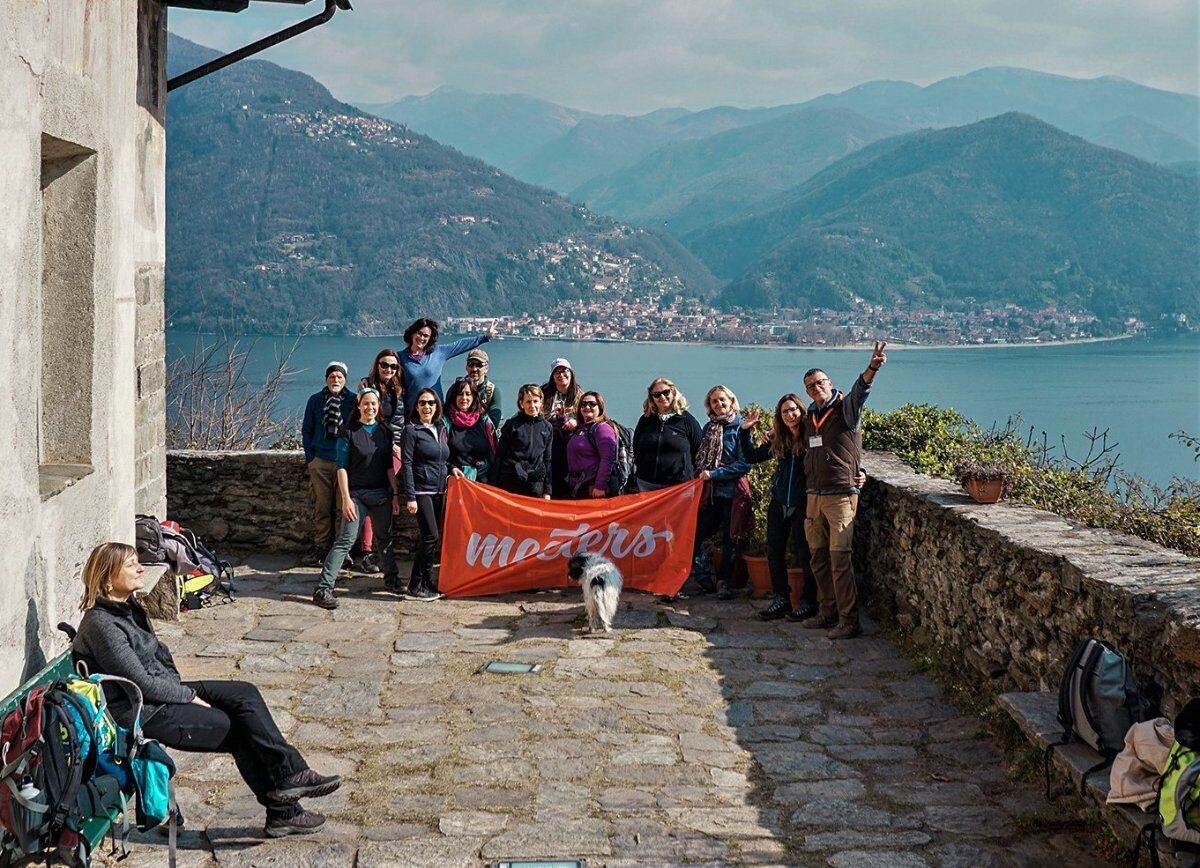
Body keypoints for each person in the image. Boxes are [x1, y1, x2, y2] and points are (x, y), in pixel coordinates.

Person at [72, 543, 340, 838]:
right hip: (143, 712)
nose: (140, 569)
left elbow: (158, 655)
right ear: (108, 579)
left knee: (244, 693)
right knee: (239, 730)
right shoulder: (102, 625)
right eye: (131, 565)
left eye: (138, 562)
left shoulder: (128, 609)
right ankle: (284, 813)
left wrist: (179, 688)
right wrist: (189, 697)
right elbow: (141, 685)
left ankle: (292, 774)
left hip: (161, 693)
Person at [740, 394, 862, 623]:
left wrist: (860, 472)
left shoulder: (812, 435)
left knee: (805, 553)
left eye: (793, 409)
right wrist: (745, 431)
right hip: (779, 502)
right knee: (774, 551)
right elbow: (751, 456)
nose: (790, 414)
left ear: (801, 410)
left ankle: (808, 602)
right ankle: (781, 599)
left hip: (804, 502)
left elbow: (841, 450)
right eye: (785, 411)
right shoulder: (780, 439)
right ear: (780, 416)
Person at [800, 341, 888, 640]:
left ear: (830, 383)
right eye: (810, 386)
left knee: (840, 560)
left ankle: (849, 621)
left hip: (840, 495)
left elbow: (860, 391)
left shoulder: (845, 409)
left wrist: (872, 367)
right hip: (814, 495)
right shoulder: (810, 416)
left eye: (820, 383)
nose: (816, 388)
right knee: (818, 558)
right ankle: (826, 612)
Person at [312, 387, 400, 609]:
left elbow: (389, 466)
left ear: (379, 406)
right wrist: (346, 499)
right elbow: (341, 467)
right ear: (359, 406)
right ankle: (323, 588)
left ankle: (391, 578)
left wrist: (395, 493)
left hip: (381, 495)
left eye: (374, 403)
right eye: (366, 403)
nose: (370, 407)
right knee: (345, 540)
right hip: (356, 495)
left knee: (385, 538)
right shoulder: (348, 432)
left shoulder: (385, 431)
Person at [694, 385, 752, 600]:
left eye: (722, 399)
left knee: (730, 538)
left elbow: (745, 464)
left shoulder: (741, 427)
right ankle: (702, 577)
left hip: (733, 492)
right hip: (711, 493)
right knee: (697, 534)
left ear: (731, 401)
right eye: (714, 401)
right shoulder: (709, 427)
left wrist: (715, 473)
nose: (718, 404)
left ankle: (723, 582)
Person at [351, 349, 405, 574]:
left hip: (391, 448)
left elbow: (399, 421)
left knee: (384, 497)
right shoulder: (366, 386)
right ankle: (366, 552)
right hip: (370, 447)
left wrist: (395, 443)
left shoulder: (398, 390)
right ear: (377, 365)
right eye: (384, 365)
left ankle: (382, 551)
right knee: (369, 495)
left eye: (393, 366)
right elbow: (363, 418)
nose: (388, 369)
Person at [300, 362, 355, 564]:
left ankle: (341, 550)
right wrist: (311, 459)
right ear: (326, 379)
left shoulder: (353, 401)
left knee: (343, 509)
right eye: (332, 377)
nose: (336, 380)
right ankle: (321, 547)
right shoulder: (315, 401)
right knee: (322, 507)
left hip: (344, 463)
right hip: (321, 461)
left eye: (339, 377)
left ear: (345, 379)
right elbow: (307, 430)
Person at [402, 388, 450, 601]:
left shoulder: (440, 428)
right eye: (422, 403)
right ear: (416, 407)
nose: (427, 407)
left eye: (431, 403)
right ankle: (415, 585)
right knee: (431, 536)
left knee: (431, 537)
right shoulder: (411, 430)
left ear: (437, 406)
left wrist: (453, 469)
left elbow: (444, 458)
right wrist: (410, 496)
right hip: (422, 491)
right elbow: (407, 464)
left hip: (439, 491)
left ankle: (427, 581)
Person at [399, 318, 494, 415]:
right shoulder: (400, 357)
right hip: (412, 412)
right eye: (419, 333)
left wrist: (485, 337)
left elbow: (460, 345)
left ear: (430, 339)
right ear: (412, 333)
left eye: (426, 336)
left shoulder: (438, 353)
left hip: (436, 411)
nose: (422, 338)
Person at [632, 377, 703, 493]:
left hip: (679, 486)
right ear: (652, 398)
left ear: (673, 392)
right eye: (657, 394)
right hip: (647, 483)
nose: (662, 397)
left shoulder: (687, 420)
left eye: (666, 392)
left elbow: (699, 451)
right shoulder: (645, 420)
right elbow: (636, 447)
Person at [493, 384, 554, 500]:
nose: (532, 405)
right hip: (511, 481)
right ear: (521, 404)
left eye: (535, 401)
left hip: (535, 484)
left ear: (541, 402)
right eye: (528, 402)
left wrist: (547, 490)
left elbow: (547, 460)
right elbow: (499, 456)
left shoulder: (547, 427)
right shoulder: (512, 424)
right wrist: (494, 485)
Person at [541, 358, 582, 498]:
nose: (561, 375)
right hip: (546, 437)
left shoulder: (579, 394)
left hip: (568, 440)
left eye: (564, 371)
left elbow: (586, 417)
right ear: (552, 376)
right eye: (557, 372)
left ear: (571, 373)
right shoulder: (544, 392)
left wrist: (576, 422)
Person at [565, 390, 618, 499]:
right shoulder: (581, 429)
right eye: (583, 404)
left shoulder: (603, 428)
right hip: (577, 485)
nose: (587, 407)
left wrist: (600, 486)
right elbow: (569, 441)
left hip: (592, 487)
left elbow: (608, 459)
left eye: (592, 404)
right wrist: (562, 419)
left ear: (600, 407)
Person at [445, 378, 497, 482]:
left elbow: (494, 452)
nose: (464, 398)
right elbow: (439, 453)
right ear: (454, 397)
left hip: (484, 479)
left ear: (474, 396)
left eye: (468, 394)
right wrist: (451, 468)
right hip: (456, 478)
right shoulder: (445, 422)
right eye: (460, 394)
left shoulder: (484, 421)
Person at [463, 348, 502, 428]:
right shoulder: (457, 389)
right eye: (470, 364)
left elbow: (494, 422)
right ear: (466, 367)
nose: (474, 369)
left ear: (486, 368)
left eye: (479, 365)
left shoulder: (492, 391)